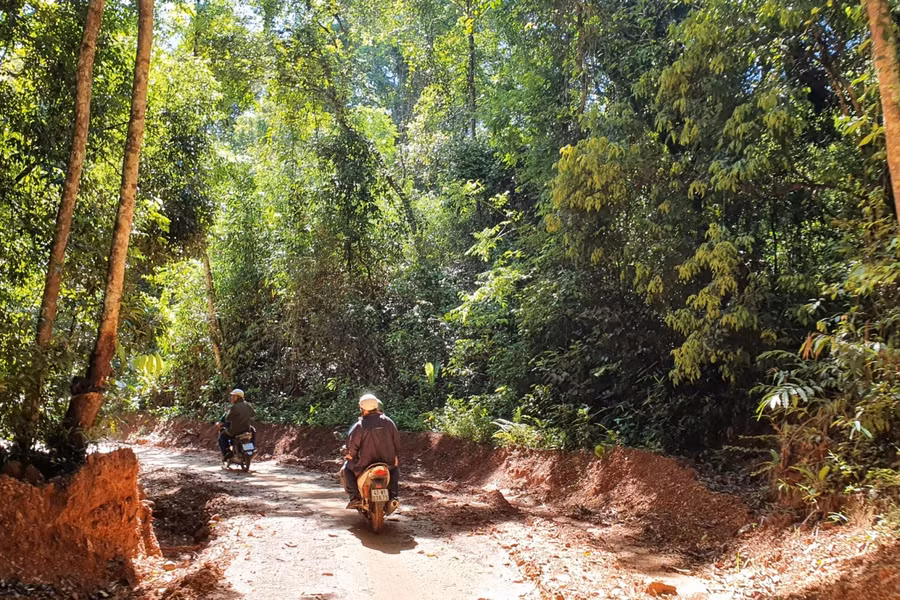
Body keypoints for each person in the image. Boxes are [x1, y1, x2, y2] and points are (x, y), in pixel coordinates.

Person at [343, 393, 400, 511]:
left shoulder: (360, 425)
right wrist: (395, 456)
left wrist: (350, 455)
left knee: (346, 469)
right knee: (394, 469)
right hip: (387, 462)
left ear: (362, 408)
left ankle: (355, 497)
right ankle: (393, 496)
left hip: (364, 464)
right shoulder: (389, 422)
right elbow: (397, 442)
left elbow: (353, 447)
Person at [217, 388, 255, 462]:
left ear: (239, 397)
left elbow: (228, 418)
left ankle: (227, 452)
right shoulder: (247, 405)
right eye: (232, 396)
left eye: (234, 396)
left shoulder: (234, 407)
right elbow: (253, 414)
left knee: (222, 436)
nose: (232, 398)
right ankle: (253, 447)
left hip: (234, 431)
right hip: (246, 429)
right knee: (253, 433)